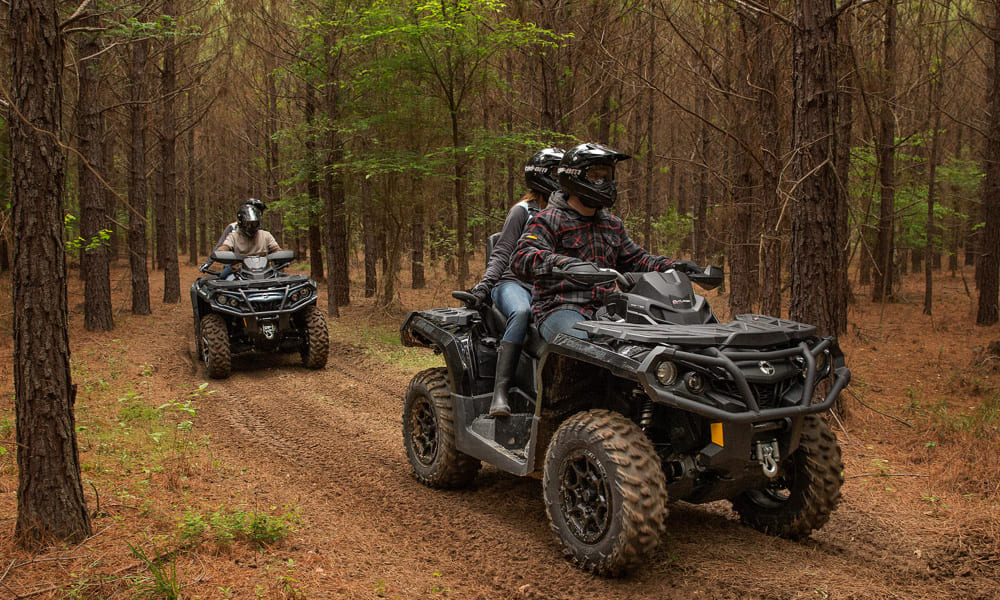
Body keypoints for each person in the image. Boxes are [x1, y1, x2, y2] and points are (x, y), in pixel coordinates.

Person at [512, 142, 698, 342]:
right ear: (574, 176)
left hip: (609, 310)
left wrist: (674, 267)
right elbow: (522, 256)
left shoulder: (612, 223)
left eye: (608, 176)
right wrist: (563, 263)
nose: (605, 183)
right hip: (561, 308)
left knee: (650, 344)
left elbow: (637, 260)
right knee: (579, 348)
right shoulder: (549, 219)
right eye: (596, 176)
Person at [468, 147, 564, 417]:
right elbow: (502, 252)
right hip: (512, 283)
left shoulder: (566, 216)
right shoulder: (522, 211)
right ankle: (500, 393)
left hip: (547, 286)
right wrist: (486, 285)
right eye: (556, 174)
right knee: (522, 312)